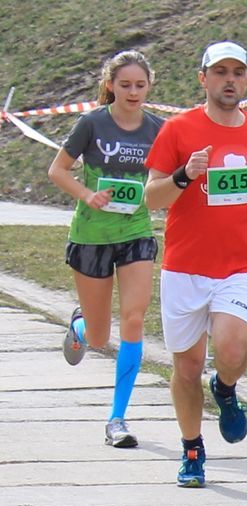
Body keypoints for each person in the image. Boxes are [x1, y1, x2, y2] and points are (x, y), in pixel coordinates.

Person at [144, 41, 247, 487]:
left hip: (241, 263)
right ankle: (192, 449)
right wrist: (184, 175)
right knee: (186, 368)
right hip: (185, 266)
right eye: (220, 72)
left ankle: (225, 388)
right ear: (203, 79)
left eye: (238, 73)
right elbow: (152, 197)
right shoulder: (178, 129)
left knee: (233, 348)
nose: (230, 81)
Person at [48, 50, 164, 448]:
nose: (133, 92)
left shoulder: (159, 129)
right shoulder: (92, 123)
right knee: (99, 338)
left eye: (140, 85)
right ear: (110, 85)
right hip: (91, 236)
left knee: (134, 318)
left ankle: (117, 419)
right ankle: (81, 325)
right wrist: (88, 195)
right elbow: (57, 170)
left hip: (136, 232)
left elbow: (168, 178)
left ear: (149, 87)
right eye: (125, 84)